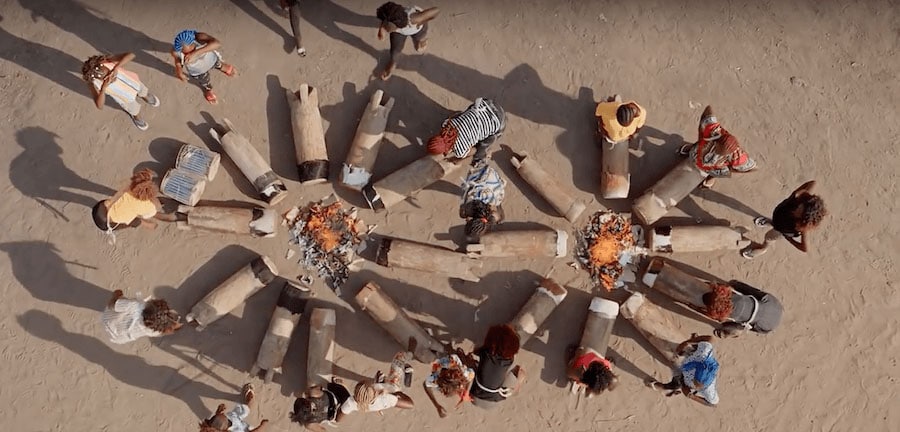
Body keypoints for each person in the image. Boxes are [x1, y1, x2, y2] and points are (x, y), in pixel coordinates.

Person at [742, 180, 827, 259]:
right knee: (775, 223)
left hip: (781, 230)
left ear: (802, 220)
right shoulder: (799, 199)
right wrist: (804, 193)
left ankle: (763, 248)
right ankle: (771, 223)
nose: (796, 208)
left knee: (768, 237)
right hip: (778, 216)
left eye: (799, 211)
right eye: (800, 206)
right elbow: (813, 183)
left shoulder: (801, 227)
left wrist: (790, 239)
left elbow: (805, 248)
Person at [678, 105, 756, 188]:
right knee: (697, 149)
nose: (718, 154)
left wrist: (730, 170)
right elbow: (708, 110)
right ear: (717, 142)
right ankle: (692, 148)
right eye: (719, 150)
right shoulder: (713, 131)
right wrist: (701, 135)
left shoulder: (738, 156)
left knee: (719, 172)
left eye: (724, 154)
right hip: (699, 151)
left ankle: (712, 177)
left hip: (714, 168)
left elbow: (752, 168)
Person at [81, 52, 160, 130]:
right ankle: (137, 117)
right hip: (125, 98)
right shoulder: (93, 84)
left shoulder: (106, 61)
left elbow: (132, 55)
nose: (110, 78)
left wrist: (116, 67)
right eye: (105, 79)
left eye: (109, 72)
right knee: (134, 110)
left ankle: (146, 97)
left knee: (143, 91)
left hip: (134, 82)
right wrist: (103, 88)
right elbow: (100, 106)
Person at [338, 339, 416, 418]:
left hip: (379, 400)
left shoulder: (351, 403)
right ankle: (410, 354)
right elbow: (410, 404)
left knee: (379, 375)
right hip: (392, 387)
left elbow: (338, 419)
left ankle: (383, 380)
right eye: (371, 386)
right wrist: (397, 394)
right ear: (375, 393)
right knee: (399, 357)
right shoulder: (387, 398)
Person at [427, 97, 506, 162]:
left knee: (479, 151)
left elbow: (473, 151)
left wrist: (457, 159)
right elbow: (453, 117)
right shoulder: (446, 125)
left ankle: (484, 153)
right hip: (486, 104)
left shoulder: (460, 150)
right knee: (460, 115)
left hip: (498, 121)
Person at [648, 334, 720, 407]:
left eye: (697, 385)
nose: (695, 385)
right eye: (696, 382)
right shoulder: (703, 354)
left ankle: (665, 387)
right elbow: (711, 338)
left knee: (677, 381)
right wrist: (687, 342)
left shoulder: (708, 390)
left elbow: (714, 404)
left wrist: (692, 397)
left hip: (685, 379)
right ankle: (697, 345)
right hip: (692, 358)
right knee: (697, 347)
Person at [375, 2, 440, 79]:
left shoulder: (415, 18)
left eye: (386, 27)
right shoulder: (393, 23)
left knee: (418, 42)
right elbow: (386, 19)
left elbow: (437, 10)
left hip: (418, 29)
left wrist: (424, 19)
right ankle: (393, 63)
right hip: (400, 32)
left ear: (396, 25)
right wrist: (381, 28)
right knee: (395, 51)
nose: (385, 29)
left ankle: (419, 42)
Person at [469, 324, 526, 409]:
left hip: (474, 394)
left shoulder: (485, 353)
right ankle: (516, 389)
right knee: (521, 373)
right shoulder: (508, 360)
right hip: (493, 402)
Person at [171, 30, 236, 104]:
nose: (189, 54)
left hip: (210, 59)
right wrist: (179, 72)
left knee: (217, 64)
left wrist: (195, 53)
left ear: (194, 42)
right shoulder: (176, 51)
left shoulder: (199, 37)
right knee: (205, 81)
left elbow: (217, 43)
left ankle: (223, 67)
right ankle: (209, 90)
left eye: (192, 50)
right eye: (186, 53)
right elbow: (178, 62)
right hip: (198, 70)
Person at [92, 169, 166, 234]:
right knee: (132, 221)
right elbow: (141, 219)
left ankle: (145, 223)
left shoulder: (128, 184)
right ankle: (147, 224)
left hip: (101, 207)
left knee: (126, 210)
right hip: (108, 223)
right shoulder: (149, 208)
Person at [700, 281, 783, 338]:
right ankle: (735, 284)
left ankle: (726, 333)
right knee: (737, 327)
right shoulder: (738, 301)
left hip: (767, 319)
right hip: (772, 308)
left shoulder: (735, 312)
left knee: (739, 327)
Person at [101, 289, 182, 344]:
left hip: (108, 320)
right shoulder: (155, 331)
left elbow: (112, 305)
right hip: (119, 337)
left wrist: (117, 295)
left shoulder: (136, 306)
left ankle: (119, 299)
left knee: (119, 302)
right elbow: (166, 330)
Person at [459, 159, 506, 243]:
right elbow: (463, 206)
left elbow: (493, 217)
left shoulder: (492, 217)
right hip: (479, 177)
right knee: (468, 197)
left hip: (491, 181)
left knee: (500, 215)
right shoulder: (466, 211)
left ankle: (499, 204)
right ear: (469, 220)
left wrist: (490, 221)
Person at [423, 347, 476, 418]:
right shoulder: (436, 378)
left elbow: (470, 375)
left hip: (450, 361)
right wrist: (436, 405)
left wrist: (465, 391)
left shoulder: (464, 373)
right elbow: (426, 385)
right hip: (444, 360)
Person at [199, 384, 268, 432]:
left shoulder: (214, 424)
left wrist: (219, 411)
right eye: (223, 415)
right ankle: (250, 398)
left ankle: (249, 399)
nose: (224, 414)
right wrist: (263, 425)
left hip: (234, 418)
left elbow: (216, 421)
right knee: (247, 410)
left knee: (244, 410)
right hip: (243, 429)